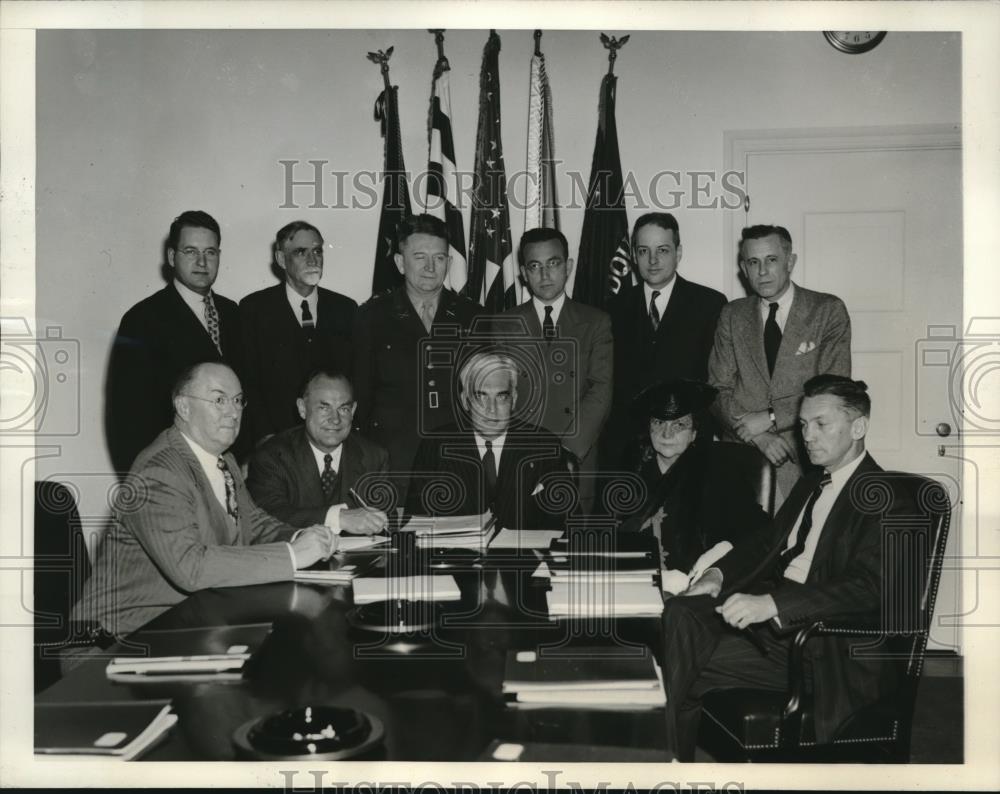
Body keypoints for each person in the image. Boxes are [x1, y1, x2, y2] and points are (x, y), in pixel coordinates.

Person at [661, 375, 907, 760]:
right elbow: (765, 543)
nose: (807, 436)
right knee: (681, 611)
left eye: (821, 424)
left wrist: (773, 605)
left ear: (858, 427)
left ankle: (662, 763)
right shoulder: (810, 485)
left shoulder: (886, 496)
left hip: (824, 645)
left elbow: (868, 587)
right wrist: (715, 576)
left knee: (681, 663)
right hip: (778, 628)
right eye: (804, 424)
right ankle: (673, 763)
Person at [73, 363, 336, 638]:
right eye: (219, 400)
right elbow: (191, 567)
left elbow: (253, 523)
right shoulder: (158, 472)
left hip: (187, 625)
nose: (233, 412)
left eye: (238, 401)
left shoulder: (224, 461)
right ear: (183, 407)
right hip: (118, 639)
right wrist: (293, 555)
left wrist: (302, 537)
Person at [708, 224, 851, 506]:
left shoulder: (827, 310)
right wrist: (759, 438)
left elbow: (833, 391)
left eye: (771, 260)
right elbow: (717, 389)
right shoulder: (732, 314)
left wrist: (772, 417)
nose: (762, 271)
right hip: (743, 458)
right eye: (753, 262)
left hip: (804, 458)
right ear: (743, 268)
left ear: (790, 261)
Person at [352, 214, 482, 495]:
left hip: (458, 460)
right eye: (420, 257)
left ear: (449, 263)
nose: (430, 267)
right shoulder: (372, 317)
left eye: (439, 258)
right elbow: (360, 398)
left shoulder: (473, 316)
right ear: (400, 263)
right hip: (392, 462)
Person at [106, 210, 242, 473]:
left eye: (210, 252)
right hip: (173, 469)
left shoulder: (233, 313)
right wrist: (147, 479)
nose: (202, 262)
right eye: (190, 251)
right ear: (171, 257)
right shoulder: (142, 319)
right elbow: (126, 415)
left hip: (232, 469)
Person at [500, 227, 613, 513]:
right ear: (523, 274)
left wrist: (567, 452)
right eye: (534, 266)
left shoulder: (596, 322)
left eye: (553, 263)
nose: (544, 274)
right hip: (522, 456)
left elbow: (601, 390)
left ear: (568, 266)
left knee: (575, 536)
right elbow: (499, 395)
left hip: (576, 456)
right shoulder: (504, 324)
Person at [604, 214, 727, 470]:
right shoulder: (613, 308)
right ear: (633, 256)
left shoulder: (709, 304)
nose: (653, 260)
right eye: (643, 251)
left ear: (678, 252)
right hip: (627, 449)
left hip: (688, 446)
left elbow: (715, 382)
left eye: (662, 250)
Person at [618, 380, 768, 577]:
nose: (666, 434)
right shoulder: (632, 470)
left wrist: (716, 565)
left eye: (679, 424)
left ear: (694, 432)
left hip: (695, 585)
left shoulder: (719, 471)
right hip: (636, 581)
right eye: (659, 423)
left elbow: (757, 531)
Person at [406, 349, 566, 530]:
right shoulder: (435, 446)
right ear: (465, 400)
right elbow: (416, 523)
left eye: (501, 396)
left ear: (514, 400)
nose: (491, 409)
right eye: (480, 396)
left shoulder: (544, 445)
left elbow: (567, 523)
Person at [239, 221, 357, 444]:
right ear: (281, 259)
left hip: (333, 439)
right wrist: (266, 438)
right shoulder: (254, 309)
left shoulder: (345, 309)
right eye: (301, 252)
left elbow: (354, 378)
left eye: (317, 251)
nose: (312, 260)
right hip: (276, 442)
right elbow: (248, 382)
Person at [247, 370, 389, 533]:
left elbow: (385, 526)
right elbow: (267, 517)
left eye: (344, 409)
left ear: (353, 410)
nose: (335, 419)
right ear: (302, 408)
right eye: (324, 408)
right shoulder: (272, 457)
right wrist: (337, 518)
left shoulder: (375, 457)